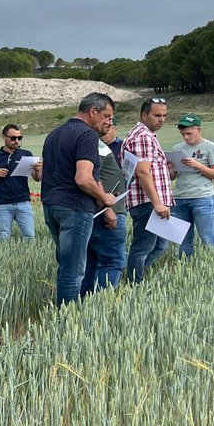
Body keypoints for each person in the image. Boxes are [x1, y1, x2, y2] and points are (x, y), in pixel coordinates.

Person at [40, 93, 117, 305]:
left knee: (65, 263)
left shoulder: (54, 134)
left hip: (51, 207)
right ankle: (67, 317)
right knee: (73, 270)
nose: (108, 121)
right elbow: (83, 178)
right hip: (75, 208)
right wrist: (105, 198)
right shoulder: (87, 135)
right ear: (93, 112)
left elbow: (43, 173)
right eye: (106, 115)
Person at [123, 98, 173, 280]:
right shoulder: (142, 137)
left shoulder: (145, 135)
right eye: (157, 115)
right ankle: (134, 283)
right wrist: (157, 203)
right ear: (144, 115)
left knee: (160, 246)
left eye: (164, 116)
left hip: (152, 202)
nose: (161, 119)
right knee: (143, 247)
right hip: (148, 203)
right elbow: (143, 172)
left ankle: (133, 276)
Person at [80, 119, 127, 295]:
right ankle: (101, 304)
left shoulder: (86, 144)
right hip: (105, 212)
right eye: (105, 119)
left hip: (93, 211)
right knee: (112, 262)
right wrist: (108, 209)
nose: (108, 124)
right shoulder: (93, 145)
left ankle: (85, 303)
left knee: (91, 263)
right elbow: (92, 176)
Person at [169, 114, 214, 257]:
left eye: (189, 133)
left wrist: (197, 165)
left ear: (198, 129)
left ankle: (212, 264)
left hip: (202, 198)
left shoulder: (211, 147)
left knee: (207, 237)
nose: (186, 137)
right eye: (182, 134)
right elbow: (173, 176)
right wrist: (169, 168)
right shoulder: (177, 148)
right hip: (180, 198)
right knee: (184, 239)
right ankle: (185, 266)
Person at [0, 124, 37, 240]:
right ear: (4, 137)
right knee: (3, 236)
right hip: (2, 203)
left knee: (30, 235)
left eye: (19, 138)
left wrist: (38, 169)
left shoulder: (26, 154)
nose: (16, 141)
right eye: (13, 138)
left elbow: (37, 178)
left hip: (23, 201)